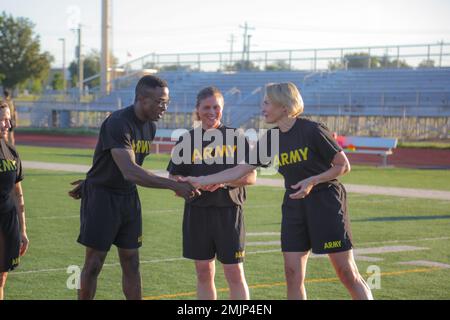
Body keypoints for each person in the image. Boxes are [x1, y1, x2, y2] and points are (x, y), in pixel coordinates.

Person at [181, 82, 373, 300]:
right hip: (293, 205)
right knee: (292, 275)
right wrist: (200, 180)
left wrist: (312, 180)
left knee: (346, 273)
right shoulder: (271, 138)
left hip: (325, 203)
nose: (262, 107)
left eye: (266, 102)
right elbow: (241, 169)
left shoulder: (313, 130)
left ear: (283, 106)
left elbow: (342, 165)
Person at [68, 75, 198, 300]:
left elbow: (125, 170)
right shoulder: (118, 122)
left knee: (132, 262)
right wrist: (174, 186)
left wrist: (91, 178)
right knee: (94, 263)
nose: (164, 107)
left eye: (166, 102)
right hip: (103, 198)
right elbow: (130, 170)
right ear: (141, 98)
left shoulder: (151, 126)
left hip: (127, 197)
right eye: (159, 101)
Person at [167, 87, 256, 300]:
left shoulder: (236, 137)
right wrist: (188, 185)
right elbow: (173, 178)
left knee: (234, 273)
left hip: (229, 212)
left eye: (216, 107)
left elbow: (251, 177)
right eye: (206, 107)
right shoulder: (187, 140)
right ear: (197, 110)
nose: (212, 111)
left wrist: (222, 182)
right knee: (203, 272)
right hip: (197, 212)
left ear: (222, 108)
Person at [0, 102, 29, 300]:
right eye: (2, 119)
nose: (7, 124)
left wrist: (23, 230)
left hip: (8, 222)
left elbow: (17, 193)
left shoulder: (12, 152)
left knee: (1, 278)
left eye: (8, 119)